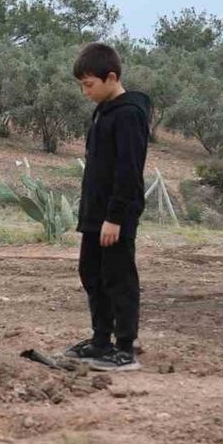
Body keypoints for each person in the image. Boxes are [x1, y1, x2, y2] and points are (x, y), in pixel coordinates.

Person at [66, 43, 149, 372]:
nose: (85, 92)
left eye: (89, 85)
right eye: (82, 85)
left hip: (116, 216)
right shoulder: (102, 109)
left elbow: (128, 171)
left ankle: (124, 348)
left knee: (118, 277)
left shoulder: (130, 114)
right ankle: (101, 340)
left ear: (111, 77)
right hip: (94, 213)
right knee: (91, 273)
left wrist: (115, 217)